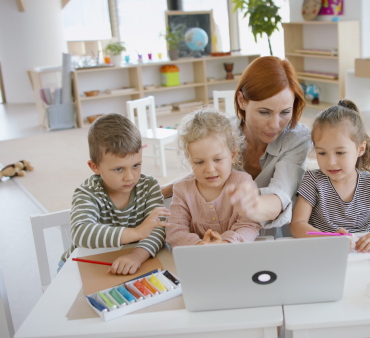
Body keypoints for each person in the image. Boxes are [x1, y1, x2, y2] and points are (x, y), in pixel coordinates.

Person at [162, 56, 311, 237]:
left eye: (285, 112)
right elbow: (203, 167)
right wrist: (158, 191)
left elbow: (281, 194)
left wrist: (254, 205)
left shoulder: (297, 138)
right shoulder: (224, 131)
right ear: (242, 100)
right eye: (264, 112)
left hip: (267, 234)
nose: (275, 124)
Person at [290, 100, 370, 253]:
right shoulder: (313, 180)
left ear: (360, 148)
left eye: (340, 152)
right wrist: (326, 238)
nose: (331, 162)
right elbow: (297, 225)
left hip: (363, 254)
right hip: (324, 252)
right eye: (322, 153)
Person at [60, 114, 170, 275]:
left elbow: (158, 229)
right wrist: (135, 233)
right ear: (95, 167)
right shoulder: (87, 192)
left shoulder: (149, 186)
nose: (130, 177)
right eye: (119, 169)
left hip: (125, 261)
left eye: (136, 165)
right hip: (81, 265)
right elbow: (80, 232)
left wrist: (137, 256)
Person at [166, 109, 262, 246]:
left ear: (233, 155)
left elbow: (250, 223)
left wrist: (226, 242)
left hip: (236, 253)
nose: (210, 169)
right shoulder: (182, 189)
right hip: (197, 258)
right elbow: (174, 231)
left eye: (217, 159)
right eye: (199, 162)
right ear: (190, 160)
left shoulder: (243, 182)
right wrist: (198, 245)